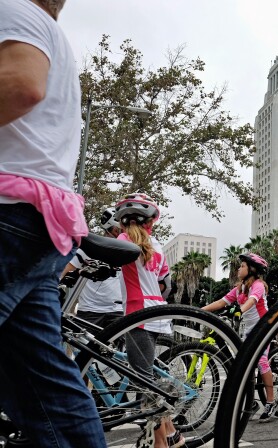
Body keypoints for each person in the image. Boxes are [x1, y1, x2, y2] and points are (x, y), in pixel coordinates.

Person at [0, 0, 107, 446]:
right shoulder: (47, 29)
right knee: (43, 386)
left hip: (13, 213)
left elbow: (22, 85)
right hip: (39, 221)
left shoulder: (13, 10)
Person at [114, 193, 182, 448]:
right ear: (150, 221)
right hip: (157, 313)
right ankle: (173, 434)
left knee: (144, 382)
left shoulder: (123, 240)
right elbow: (166, 284)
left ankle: (161, 443)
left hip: (137, 314)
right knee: (149, 376)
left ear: (122, 222)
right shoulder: (158, 246)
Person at [202, 253, 277, 421]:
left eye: (242, 266)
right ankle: (250, 403)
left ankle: (271, 401)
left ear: (252, 270)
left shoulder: (258, 285)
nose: (238, 268)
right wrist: (201, 310)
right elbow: (221, 302)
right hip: (248, 330)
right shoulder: (239, 289)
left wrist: (239, 310)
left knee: (261, 361)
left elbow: (252, 300)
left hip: (263, 328)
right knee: (243, 365)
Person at [61, 207, 124, 327]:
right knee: (83, 345)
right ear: (114, 229)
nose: (122, 233)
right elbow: (64, 271)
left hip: (118, 310)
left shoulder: (124, 251)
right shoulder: (90, 249)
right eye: (119, 230)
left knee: (121, 345)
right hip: (89, 311)